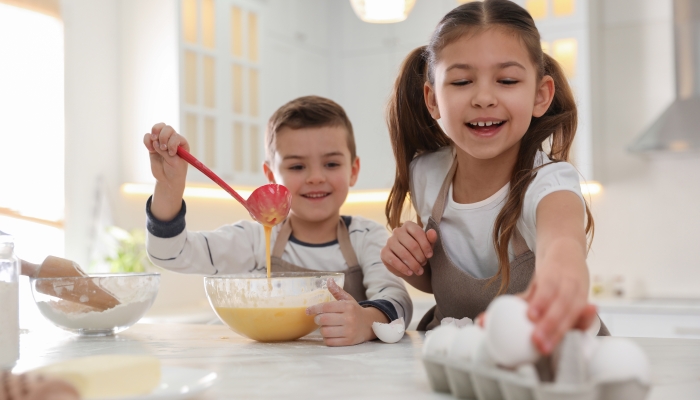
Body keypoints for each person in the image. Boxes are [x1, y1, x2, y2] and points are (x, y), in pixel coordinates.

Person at [380, 0, 608, 355]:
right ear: (432, 99)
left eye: (507, 80)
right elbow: (447, 285)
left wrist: (560, 288)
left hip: (545, 359)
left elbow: (563, 249)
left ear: (540, 94)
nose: (484, 98)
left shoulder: (550, 184)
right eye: (461, 81)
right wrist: (409, 265)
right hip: (464, 361)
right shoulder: (425, 174)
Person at [143, 95, 412, 346]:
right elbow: (170, 254)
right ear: (270, 174)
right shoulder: (254, 239)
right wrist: (169, 187)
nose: (315, 177)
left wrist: (366, 322)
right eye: (296, 166)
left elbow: (397, 301)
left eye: (331, 164)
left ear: (353, 171)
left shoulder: (367, 237)